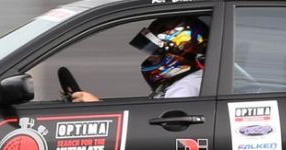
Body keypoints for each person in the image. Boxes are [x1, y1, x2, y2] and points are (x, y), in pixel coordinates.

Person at [70, 15, 207, 102]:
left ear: (179, 52)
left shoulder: (186, 88)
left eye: (157, 52)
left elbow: (159, 130)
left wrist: (97, 109)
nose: (152, 58)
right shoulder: (185, 82)